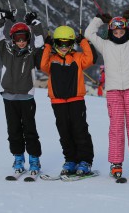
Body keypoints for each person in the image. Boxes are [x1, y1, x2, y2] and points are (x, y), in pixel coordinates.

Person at [85, 9, 129, 180]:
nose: (118, 34)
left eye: (121, 31)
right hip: (114, 90)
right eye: (115, 31)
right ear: (110, 32)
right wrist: (99, 19)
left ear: (127, 31)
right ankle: (116, 163)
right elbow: (89, 33)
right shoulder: (105, 45)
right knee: (116, 127)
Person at [0, 9, 44, 175]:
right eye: (17, 38)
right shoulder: (6, 51)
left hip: (26, 97)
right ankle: (18, 157)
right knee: (13, 129)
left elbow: (40, 42)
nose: (21, 42)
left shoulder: (31, 54)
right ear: (13, 39)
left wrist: (34, 24)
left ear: (28, 39)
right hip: (9, 97)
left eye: (24, 38)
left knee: (29, 129)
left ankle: (34, 158)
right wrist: (1, 19)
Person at [40, 25, 96, 176]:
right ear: (55, 44)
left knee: (80, 129)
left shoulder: (77, 58)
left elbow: (90, 59)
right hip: (58, 101)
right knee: (64, 131)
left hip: (76, 100)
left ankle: (85, 160)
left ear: (72, 44)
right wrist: (47, 46)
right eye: (60, 43)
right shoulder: (51, 59)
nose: (63, 47)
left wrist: (83, 41)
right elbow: (42, 65)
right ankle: (70, 159)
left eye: (67, 43)